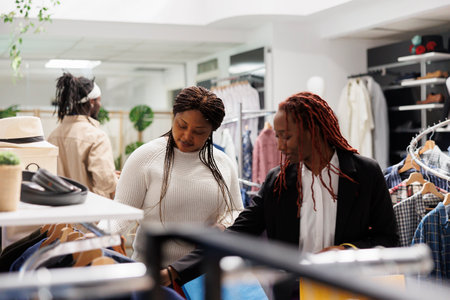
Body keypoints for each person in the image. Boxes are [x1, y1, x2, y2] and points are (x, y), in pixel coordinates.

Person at [166, 91, 399, 286]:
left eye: (286, 136)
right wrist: (173, 272)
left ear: (314, 131)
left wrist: (347, 251)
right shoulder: (277, 181)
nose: (279, 146)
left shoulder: (365, 173)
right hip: (293, 291)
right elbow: (235, 237)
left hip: (347, 288)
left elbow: (388, 238)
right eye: (277, 137)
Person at [103, 86, 243, 267]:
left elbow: (236, 210)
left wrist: (223, 226)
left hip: (200, 274)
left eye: (199, 131)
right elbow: (121, 212)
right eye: (182, 125)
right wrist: (99, 235)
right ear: (173, 116)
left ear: (211, 131)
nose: (186, 136)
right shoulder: (145, 157)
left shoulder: (223, 164)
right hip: (153, 272)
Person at [48, 72, 118, 199]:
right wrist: (115, 180)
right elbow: (105, 183)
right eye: (99, 100)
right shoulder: (97, 137)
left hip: (60, 213)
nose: (100, 105)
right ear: (91, 102)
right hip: (89, 212)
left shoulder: (53, 136)